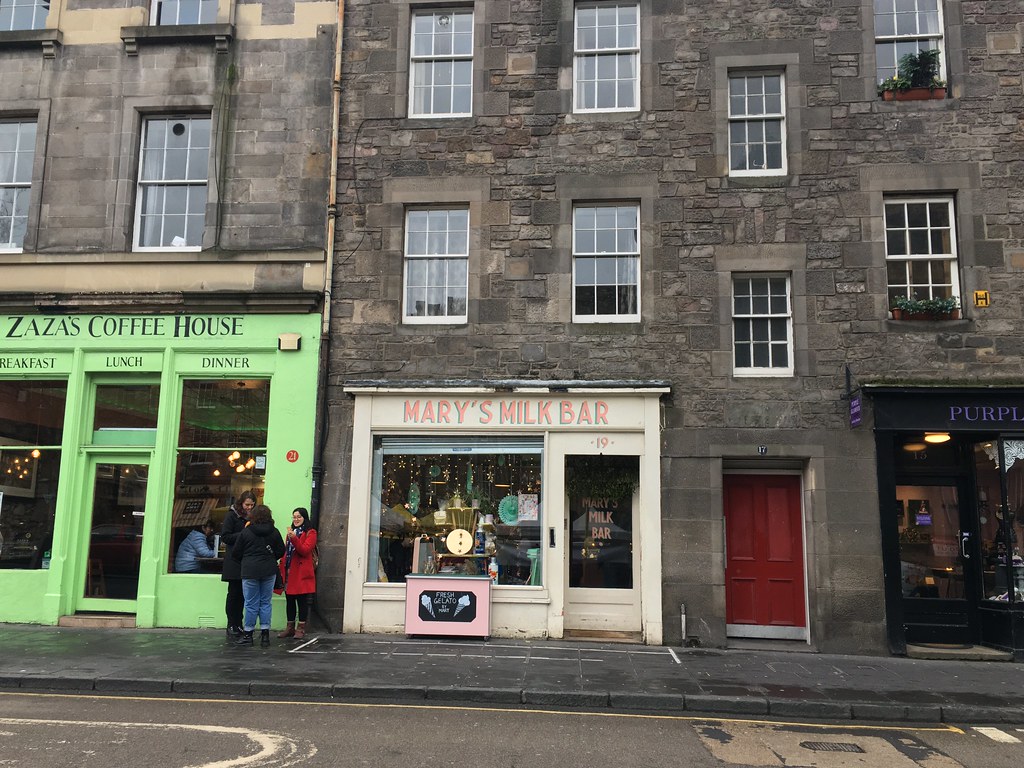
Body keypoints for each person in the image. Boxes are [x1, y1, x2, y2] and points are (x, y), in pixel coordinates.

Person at [230, 503, 285, 647]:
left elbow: (236, 553)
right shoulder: (274, 531)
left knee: (250, 603)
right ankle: (265, 634)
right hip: (268, 569)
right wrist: (271, 557)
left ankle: (248, 634)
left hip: (250, 570)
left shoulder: (246, 532)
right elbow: (281, 550)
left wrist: (246, 560)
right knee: (265, 602)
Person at [220, 490, 257, 640]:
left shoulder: (253, 517)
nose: (249, 507)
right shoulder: (232, 515)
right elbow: (226, 536)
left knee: (243, 595)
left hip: (246, 560)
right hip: (233, 560)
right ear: (241, 503)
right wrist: (243, 533)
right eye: (247, 504)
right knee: (233, 593)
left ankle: (239, 623)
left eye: (252, 505)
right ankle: (231, 624)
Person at [277, 507, 317, 640]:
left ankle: (301, 628)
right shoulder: (291, 532)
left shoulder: (311, 532)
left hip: (301, 572)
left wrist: (294, 538)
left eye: (299, 517)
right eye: (294, 517)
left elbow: (304, 550)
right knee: (289, 600)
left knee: (302, 601)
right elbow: (286, 551)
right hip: (289, 571)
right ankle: (289, 628)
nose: (296, 519)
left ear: (304, 518)